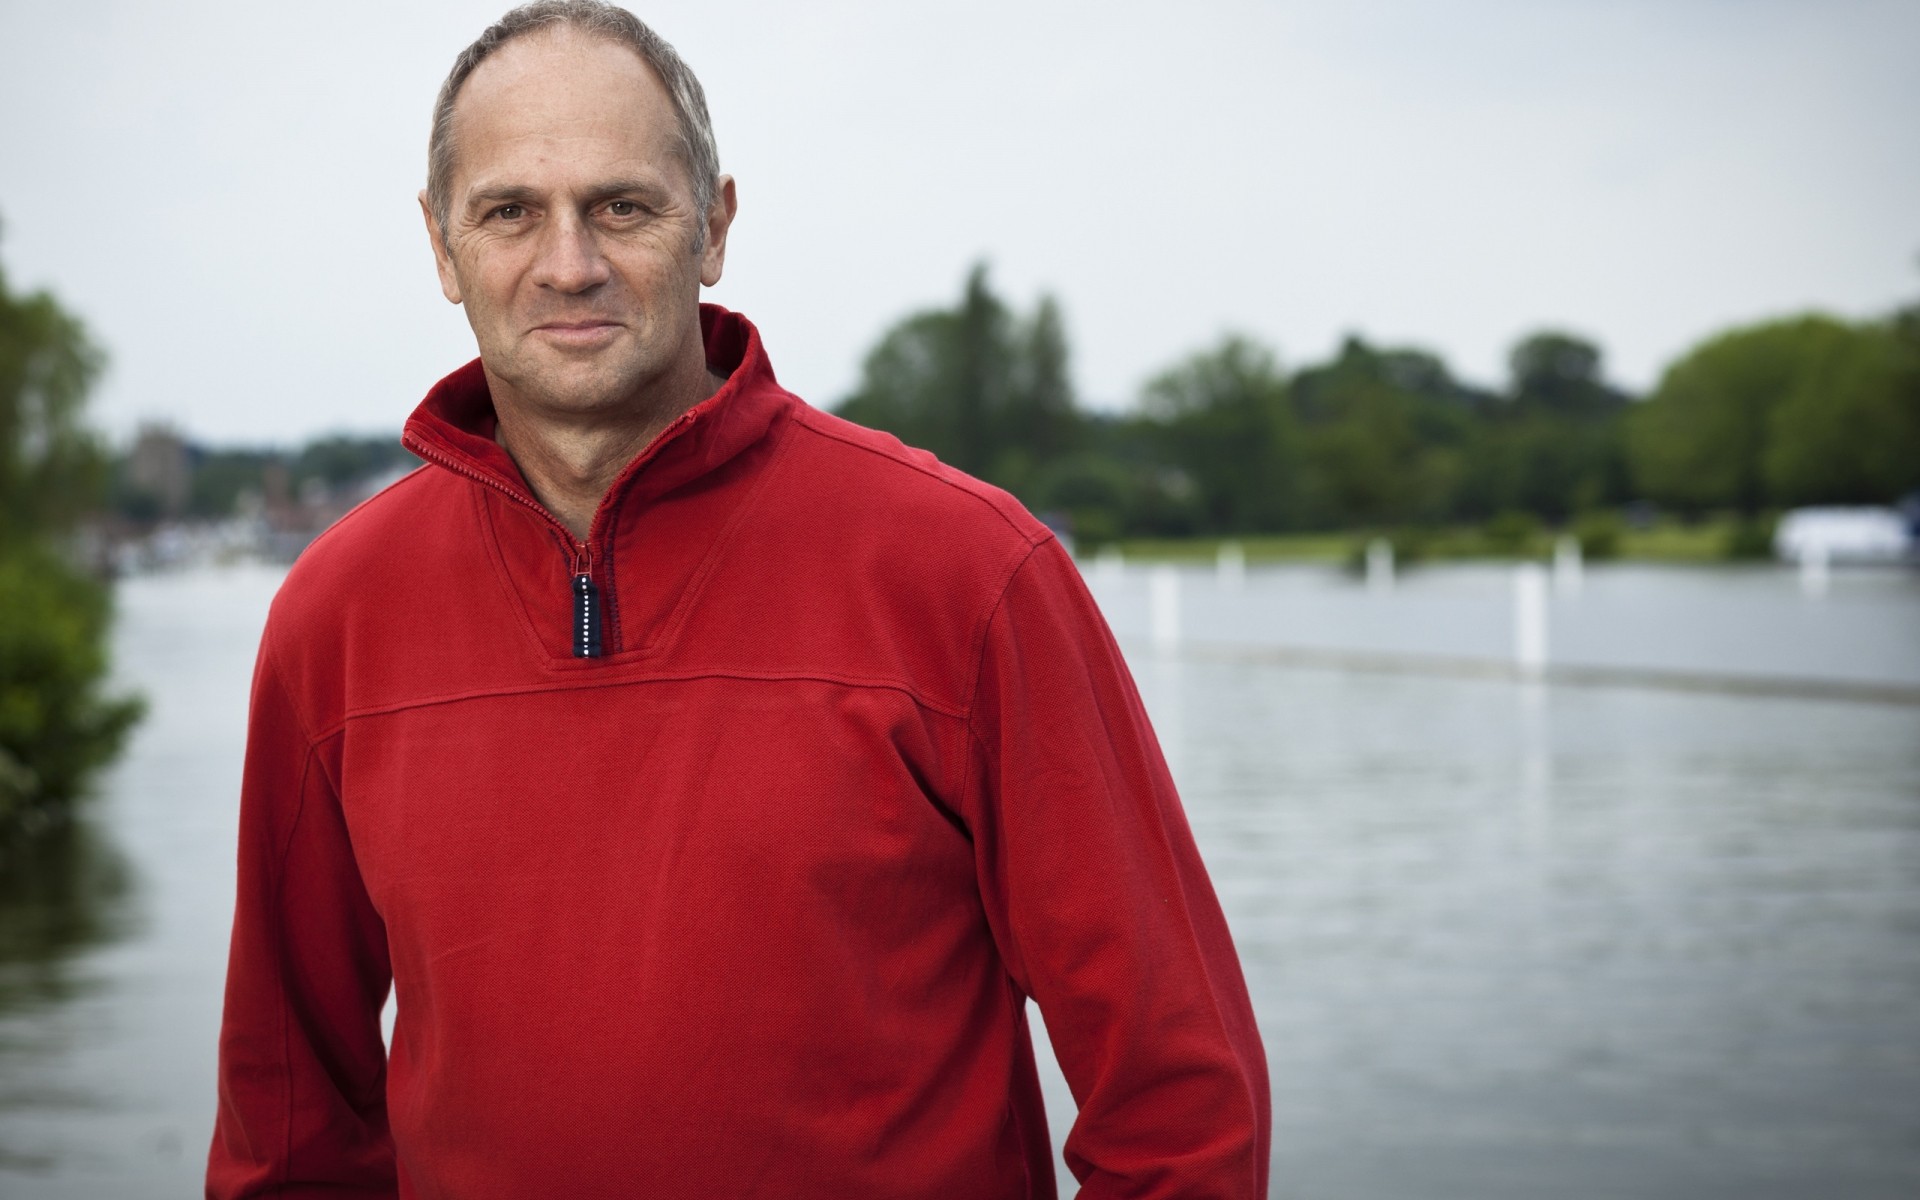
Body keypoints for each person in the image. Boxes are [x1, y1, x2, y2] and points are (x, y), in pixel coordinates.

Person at [206, 3, 1269, 1197]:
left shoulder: (968, 573)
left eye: (623, 205)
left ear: (713, 225)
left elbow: (1179, 1106)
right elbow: (285, 1126)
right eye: (510, 211)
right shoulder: (335, 617)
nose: (569, 263)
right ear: (442, 247)